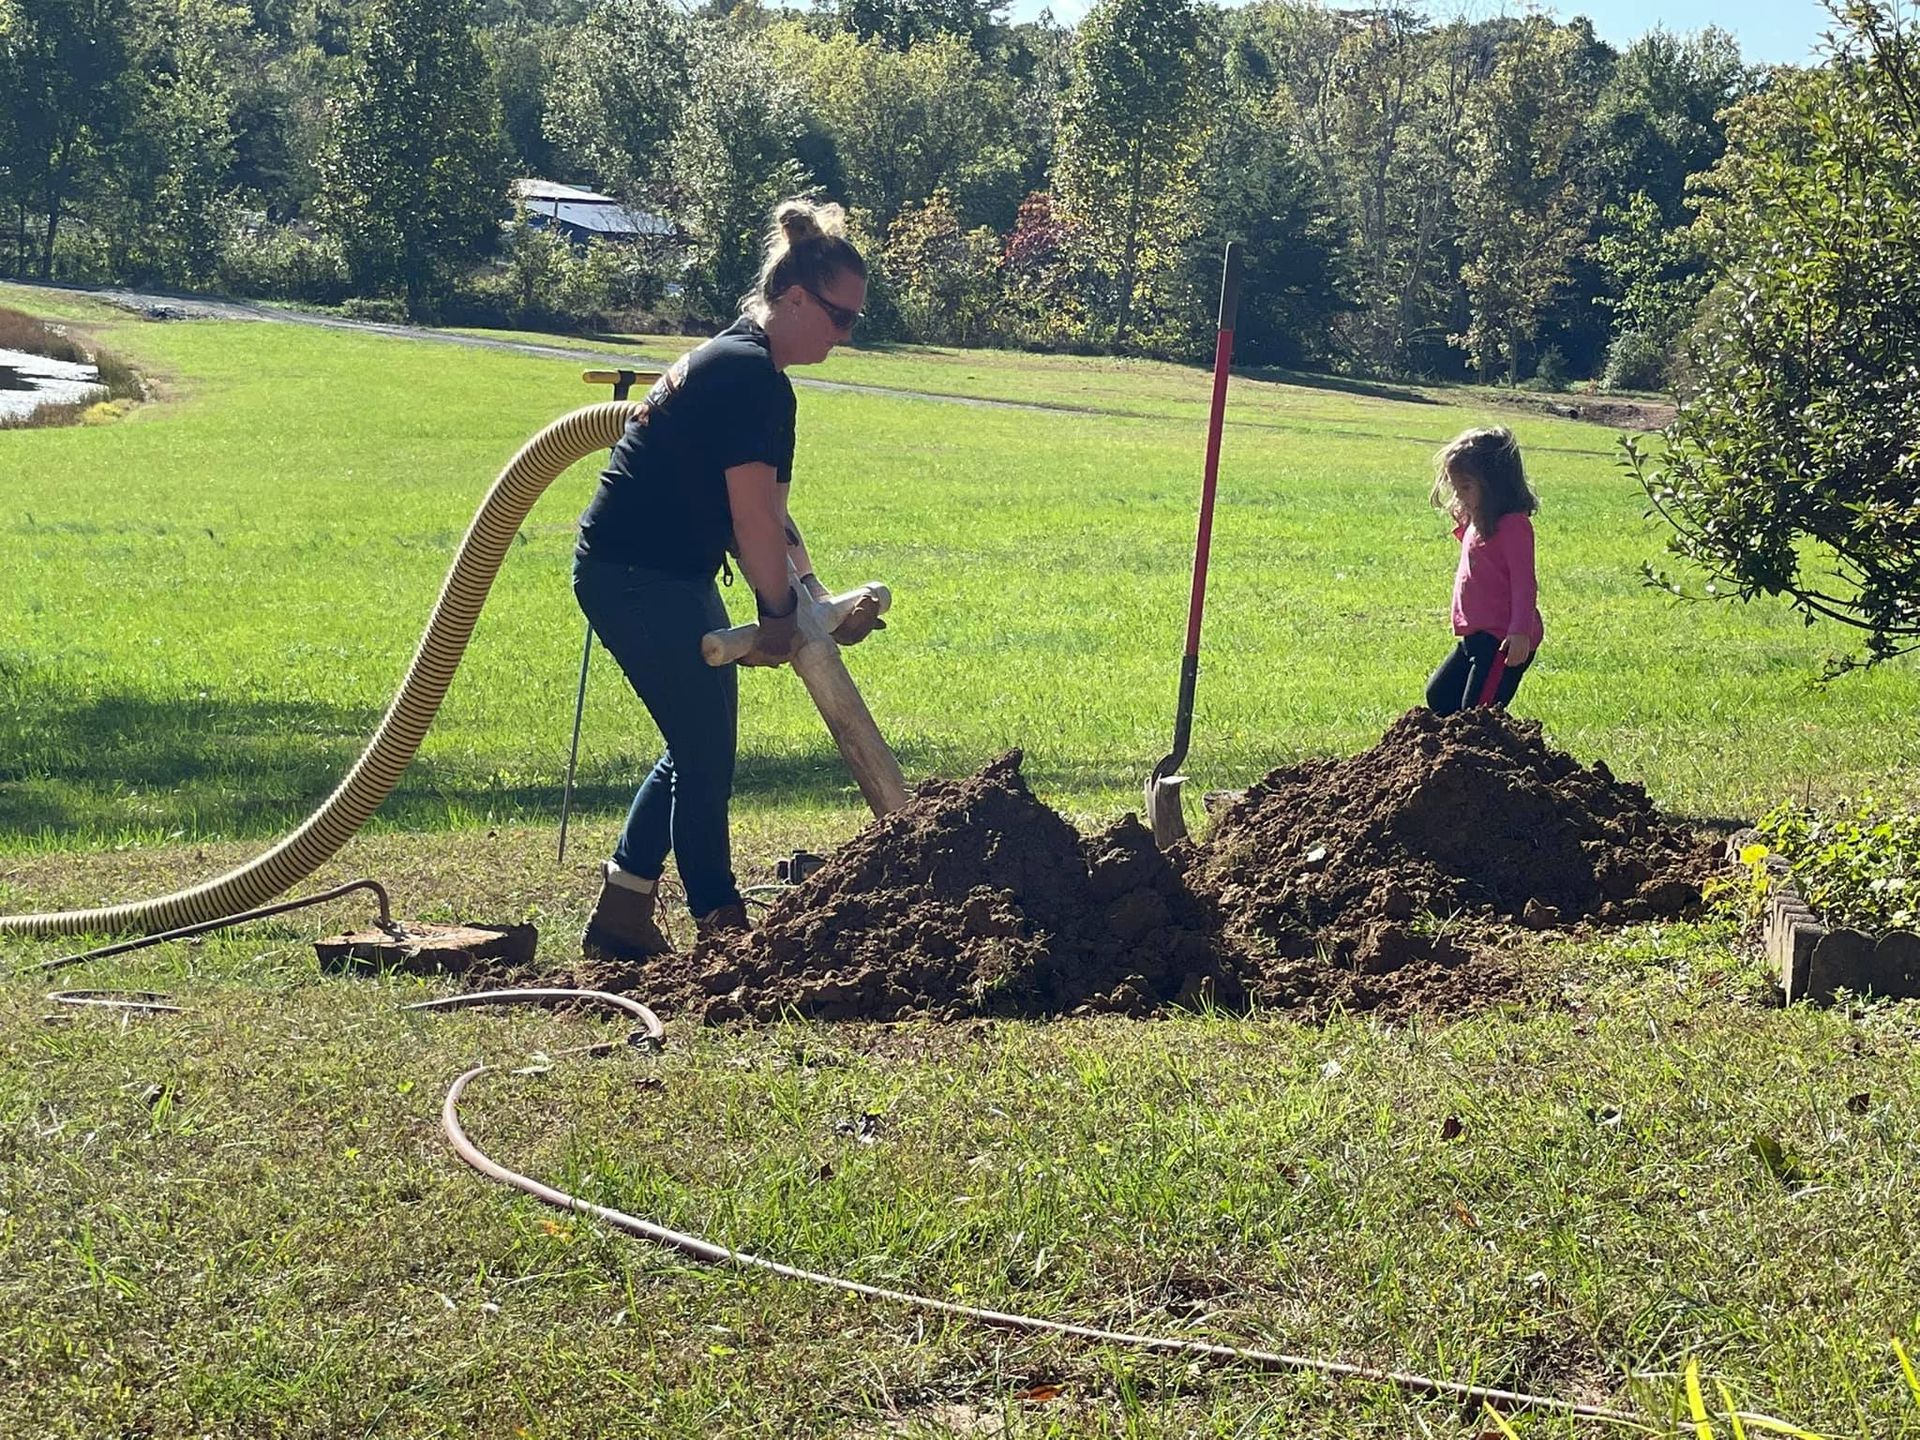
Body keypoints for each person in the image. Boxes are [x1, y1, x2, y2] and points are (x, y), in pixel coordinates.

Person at [571, 198, 883, 960]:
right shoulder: (748, 377)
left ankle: (621, 913)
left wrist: (810, 598)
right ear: (797, 298)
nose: (846, 337)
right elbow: (749, 519)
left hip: (670, 571)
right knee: (705, 750)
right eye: (840, 319)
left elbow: (774, 517)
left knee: (696, 738)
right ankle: (721, 929)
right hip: (634, 574)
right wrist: (776, 613)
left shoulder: (752, 368)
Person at [1424, 425, 1542, 715]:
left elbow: (1524, 583)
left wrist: (1519, 633)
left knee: (1478, 713)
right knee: (1439, 697)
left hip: (1503, 641)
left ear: (1494, 484)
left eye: (1466, 487)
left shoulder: (1513, 525)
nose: (1459, 495)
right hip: (1475, 636)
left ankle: (1494, 755)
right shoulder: (1479, 520)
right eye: (1455, 487)